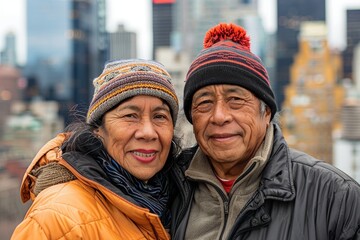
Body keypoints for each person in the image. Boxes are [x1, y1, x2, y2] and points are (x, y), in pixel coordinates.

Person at [170, 23, 360, 239]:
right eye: (204, 102)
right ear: (192, 118)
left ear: (266, 112)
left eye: (236, 100)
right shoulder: (168, 188)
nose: (219, 116)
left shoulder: (336, 197)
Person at [11, 59, 182, 240]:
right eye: (130, 115)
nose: (148, 132)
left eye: (160, 116)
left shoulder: (180, 203)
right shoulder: (56, 219)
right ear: (98, 130)